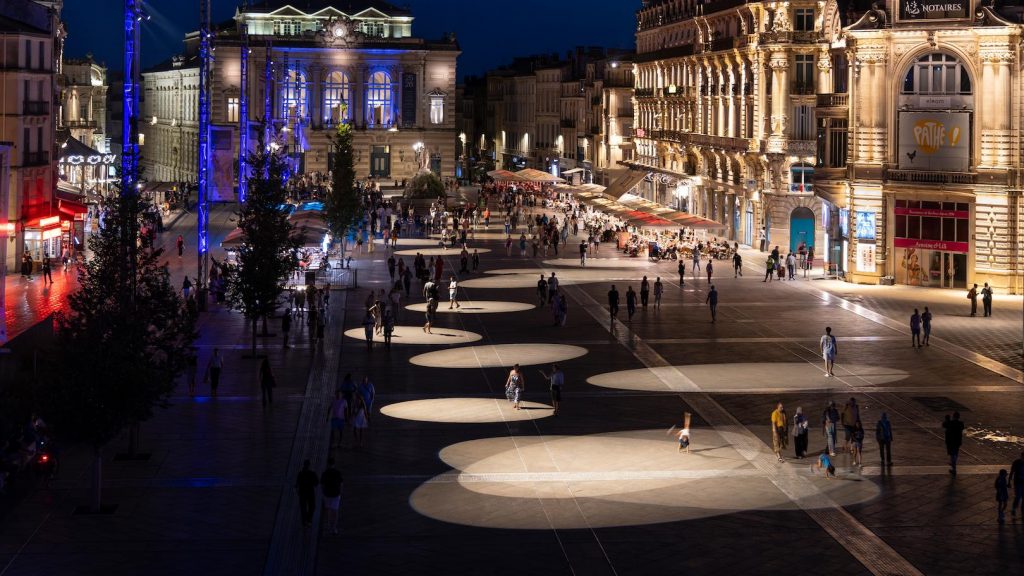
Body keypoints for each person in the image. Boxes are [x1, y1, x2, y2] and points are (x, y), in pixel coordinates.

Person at [321, 459, 344, 535]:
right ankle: (334, 528)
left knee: (327, 510)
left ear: (328, 464)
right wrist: (340, 492)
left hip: (327, 494)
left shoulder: (325, 473)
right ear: (334, 464)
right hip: (336, 494)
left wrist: (324, 492)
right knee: (335, 511)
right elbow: (341, 483)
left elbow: (322, 485)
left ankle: (327, 526)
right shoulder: (338, 473)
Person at [296, 460, 319, 527]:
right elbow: (316, 483)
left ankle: (304, 521)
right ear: (309, 466)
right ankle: (309, 520)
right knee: (312, 506)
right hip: (310, 492)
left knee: (303, 508)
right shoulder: (312, 473)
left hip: (302, 493)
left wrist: (298, 492)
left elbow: (297, 484)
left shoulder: (300, 473)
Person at [1009, 451, 1024, 517]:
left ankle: (1022, 511)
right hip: (1018, 482)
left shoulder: (1017, 462)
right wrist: (1009, 481)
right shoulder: (1016, 462)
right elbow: (1012, 472)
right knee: (1018, 496)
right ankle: (1014, 509)